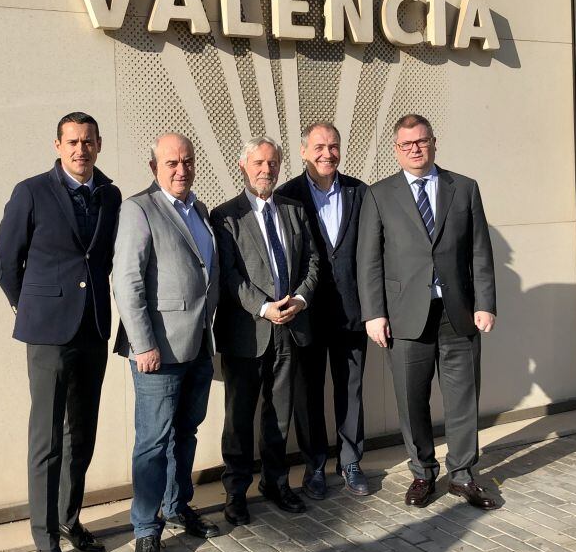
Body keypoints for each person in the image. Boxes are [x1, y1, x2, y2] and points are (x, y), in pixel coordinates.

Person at [0, 112, 122, 552]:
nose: (80, 149)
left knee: (81, 433)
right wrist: (28, 306)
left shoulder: (110, 195)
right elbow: (6, 262)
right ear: (57, 145)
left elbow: (104, 260)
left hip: (92, 328)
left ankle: (69, 518)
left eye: (88, 142)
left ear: (99, 145)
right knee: (47, 440)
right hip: (48, 333)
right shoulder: (31, 191)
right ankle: (46, 541)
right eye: (72, 142)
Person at [357, 113, 498, 510]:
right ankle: (422, 472)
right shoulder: (379, 195)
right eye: (406, 144)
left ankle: (463, 475)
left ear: (434, 143)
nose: (415, 149)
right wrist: (374, 313)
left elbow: (479, 251)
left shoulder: (464, 188)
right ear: (396, 150)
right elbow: (369, 261)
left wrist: (485, 303)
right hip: (405, 318)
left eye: (421, 141)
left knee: (462, 398)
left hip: (458, 314)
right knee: (411, 399)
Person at [113, 133, 222, 552]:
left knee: (187, 432)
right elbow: (128, 281)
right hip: (157, 350)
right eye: (172, 162)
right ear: (155, 166)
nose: (181, 169)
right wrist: (144, 345)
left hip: (197, 344)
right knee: (153, 442)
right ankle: (145, 530)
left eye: (187, 161)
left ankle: (178, 507)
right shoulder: (139, 209)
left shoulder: (199, 210)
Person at [211, 135, 320, 525]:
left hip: (289, 328)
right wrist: (263, 308)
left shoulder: (293, 210)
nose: (266, 170)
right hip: (247, 332)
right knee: (239, 419)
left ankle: (275, 483)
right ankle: (236, 492)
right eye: (258, 163)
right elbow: (229, 275)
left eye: (272, 163)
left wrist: (300, 301)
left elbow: (312, 261)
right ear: (244, 166)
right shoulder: (225, 216)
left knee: (280, 414)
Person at [276, 122, 371, 498]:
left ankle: (350, 461)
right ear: (303, 151)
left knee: (351, 389)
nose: (327, 153)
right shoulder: (287, 196)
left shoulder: (360, 192)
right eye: (318, 147)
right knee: (308, 393)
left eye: (333, 146)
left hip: (351, 312)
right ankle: (314, 466)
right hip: (306, 315)